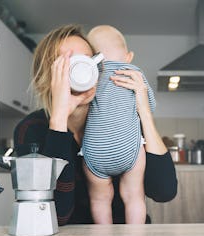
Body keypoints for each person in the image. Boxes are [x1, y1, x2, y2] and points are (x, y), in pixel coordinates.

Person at [13, 24, 177, 225]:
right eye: (69, 63)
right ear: (47, 76)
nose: (83, 69)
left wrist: (143, 111)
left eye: (89, 60)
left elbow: (164, 191)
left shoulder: (120, 118)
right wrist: (59, 119)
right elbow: (55, 215)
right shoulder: (31, 129)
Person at [81, 25, 155, 224]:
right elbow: (150, 107)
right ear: (129, 56)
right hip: (128, 148)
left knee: (99, 199)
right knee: (134, 196)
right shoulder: (134, 74)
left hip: (96, 150)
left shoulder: (91, 76)